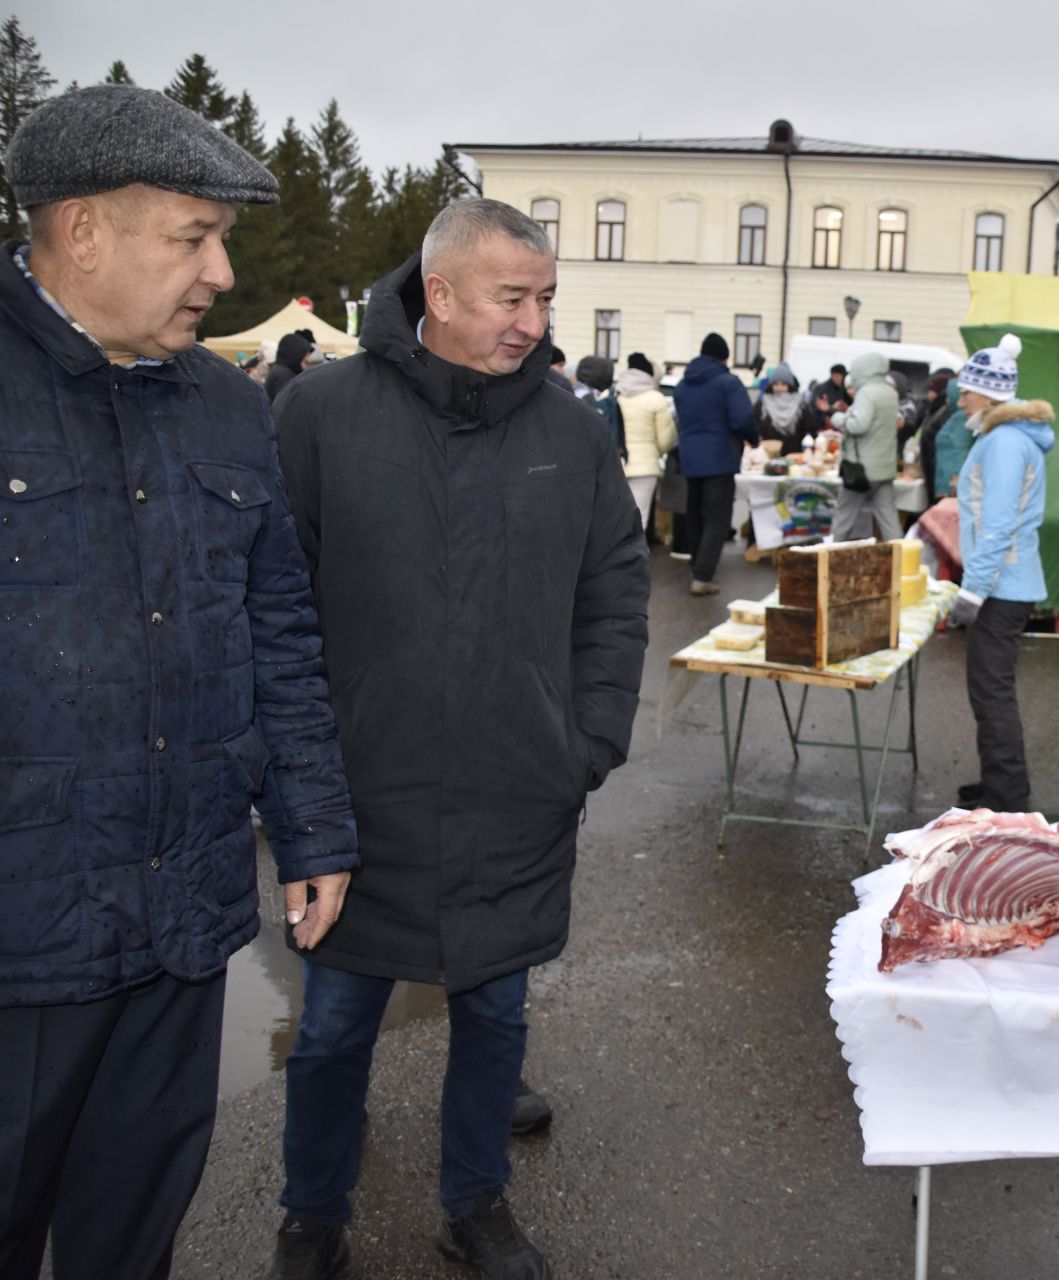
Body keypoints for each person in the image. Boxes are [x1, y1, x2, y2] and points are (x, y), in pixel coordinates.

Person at [0, 85, 358, 1280]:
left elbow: (281, 632)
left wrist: (312, 829)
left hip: (180, 922)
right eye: (192, 236)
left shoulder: (222, 405)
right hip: (19, 933)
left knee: (131, 1240)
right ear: (83, 229)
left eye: (223, 240)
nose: (217, 271)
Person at [266, 198, 649, 1280]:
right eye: (511, 297)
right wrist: (293, 784)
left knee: (495, 1018)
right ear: (439, 294)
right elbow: (272, 604)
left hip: (515, 790)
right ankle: (310, 1213)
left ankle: (475, 1202)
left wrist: (586, 740)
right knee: (335, 1028)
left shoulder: (572, 430)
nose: (533, 321)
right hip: (357, 803)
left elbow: (615, 591)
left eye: (546, 299)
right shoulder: (321, 413)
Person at [949, 334, 1053, 812]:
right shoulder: (1005, 439)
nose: (960, 398)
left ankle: (1008, 800)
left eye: (966, 391)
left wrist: (972, 593)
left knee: (992, 694)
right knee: (989, 689)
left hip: (1002, 585)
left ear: (986, 395)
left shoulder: (1004, 442)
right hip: (1006, 581)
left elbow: (996, 525)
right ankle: (997, 785)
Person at [672, 332, 756, 595]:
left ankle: (698, 566)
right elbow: (742, 419)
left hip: (690, 458)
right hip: (720, 458)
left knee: (695, 515)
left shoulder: (683, 385)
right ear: (724, 356)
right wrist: (754, 438)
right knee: (716, 519)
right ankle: (702, 576)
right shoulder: (727, 383)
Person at [830, 351, 902, 542]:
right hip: (884, 468)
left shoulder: (866, 393)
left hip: (861, 470)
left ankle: (831, 557)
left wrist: (838, 418)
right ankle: (902, 561)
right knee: (889, 520)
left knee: (843, 518)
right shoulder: (890, 392)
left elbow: (858, 425)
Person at [616, 351, 676, 538]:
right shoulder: (655, 398)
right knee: (639, 518)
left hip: (616, 463)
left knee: (617, 516)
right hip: (645, 467)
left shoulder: (616, 394)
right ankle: (634, 562)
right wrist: (655, 453)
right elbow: (666, 438)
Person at [754, 361, 814, 453]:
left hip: (794, 454)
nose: (779, 388)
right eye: (776, 384)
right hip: (768, 454)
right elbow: (754, 424)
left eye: (783, 384)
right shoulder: (763, 403)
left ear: (789, 385)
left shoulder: (800, 403)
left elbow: (809, 426)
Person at [267, 329, 315, 402]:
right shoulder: (283, 375)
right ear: (295, 354)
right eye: (305, 355)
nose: (308, 359)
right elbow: (288, 404)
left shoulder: (282, 371)